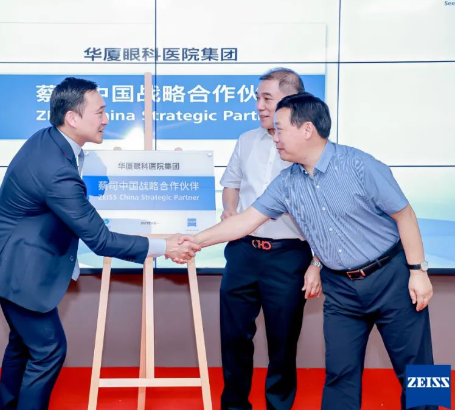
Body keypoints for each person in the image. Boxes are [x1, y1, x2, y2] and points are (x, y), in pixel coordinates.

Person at [180, 93, 435, 410]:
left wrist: (418, 270)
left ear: (307, 129)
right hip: (341, 289)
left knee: (421, 370)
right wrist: (195, 241)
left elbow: (404, 214)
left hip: (392, 277)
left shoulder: (360, 165)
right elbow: (245, 221)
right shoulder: (287, 182)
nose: (275, 138)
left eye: (280, 129)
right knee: (340, 374)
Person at [0, 77, 198, 410]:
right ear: (73, 118)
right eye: (100, 112)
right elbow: (100, 239)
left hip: (10, 257)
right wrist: (165, 246)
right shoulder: (56, 170)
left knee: (24, 345)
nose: (107, 119)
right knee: (48, 350)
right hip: (18, 269)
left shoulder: (49, 140)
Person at [219, 68, 321, 410]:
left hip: (288, 255)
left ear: (291, 102)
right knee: (234, 336)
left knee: (283, 342)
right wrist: (230, 210)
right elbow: (231, 183)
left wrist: (316, 262)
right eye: (257, 98)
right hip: (243, 250)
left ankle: (278, 405)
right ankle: (234, 405)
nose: (259, 106)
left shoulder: (307, 148)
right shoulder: (246, 140)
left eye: (267, 98)